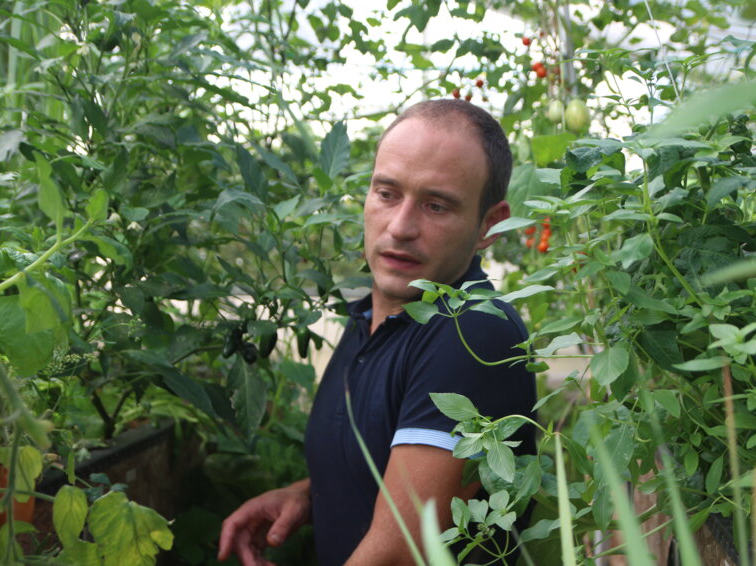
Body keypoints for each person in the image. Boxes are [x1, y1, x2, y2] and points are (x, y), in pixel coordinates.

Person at [218, 99, 536, 566]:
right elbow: (395, 463)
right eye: (387, 194)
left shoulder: (472, 333)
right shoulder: (374, 317)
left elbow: (399, 552)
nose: (401, 227)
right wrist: (311, 494)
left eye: (436, 205)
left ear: (489, 224)